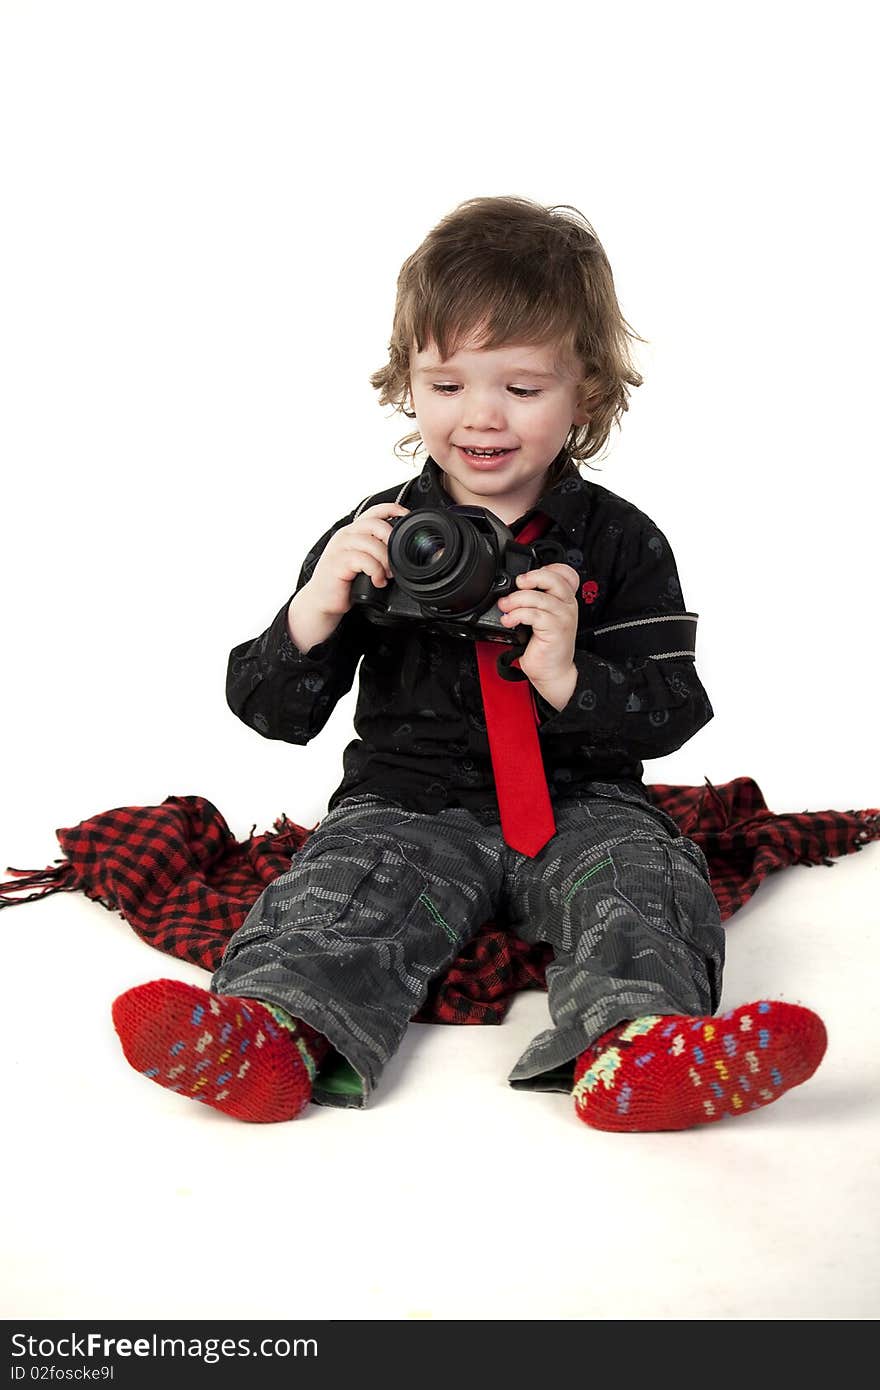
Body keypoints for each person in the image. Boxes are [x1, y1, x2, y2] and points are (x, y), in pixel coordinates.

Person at [112, 195, 827, 1129]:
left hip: (583, 805)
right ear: (407, 383)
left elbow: (674, 709)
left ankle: (638, 1052)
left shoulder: (620, 542)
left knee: (645, 881)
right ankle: (269, 1035)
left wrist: (570, 673)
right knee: (342, 891)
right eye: (447, 385)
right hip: (407, 803)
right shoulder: (378, 534)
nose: (481, 416)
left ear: (588, 393)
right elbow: (272, 713)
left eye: (523, 389)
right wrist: (313, 611)